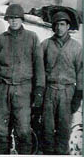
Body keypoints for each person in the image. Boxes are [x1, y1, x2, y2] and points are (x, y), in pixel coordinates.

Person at [0, 4, 45, 154]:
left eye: (16, 18)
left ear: (21, 19)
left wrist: (39, 90)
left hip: (23, 90)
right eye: (11, 18)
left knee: (24, 131)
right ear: (7, 20)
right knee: (1, 130)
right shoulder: (1, 39)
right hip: (3, 89)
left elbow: (39, 66)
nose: (13, 21)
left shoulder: (32, 38)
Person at [41, 11, 83, 155]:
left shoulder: (76, 47)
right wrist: (39, 91)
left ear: (68, 26)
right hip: (49, 90)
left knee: (64, 128)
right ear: (53, 27)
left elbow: (81, 72)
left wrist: (78, 94)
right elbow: (38, 68)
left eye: (62, 24)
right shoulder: (46, 44)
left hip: (67, 92)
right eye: (56, 25)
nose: (59, 28)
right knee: (47, 127)